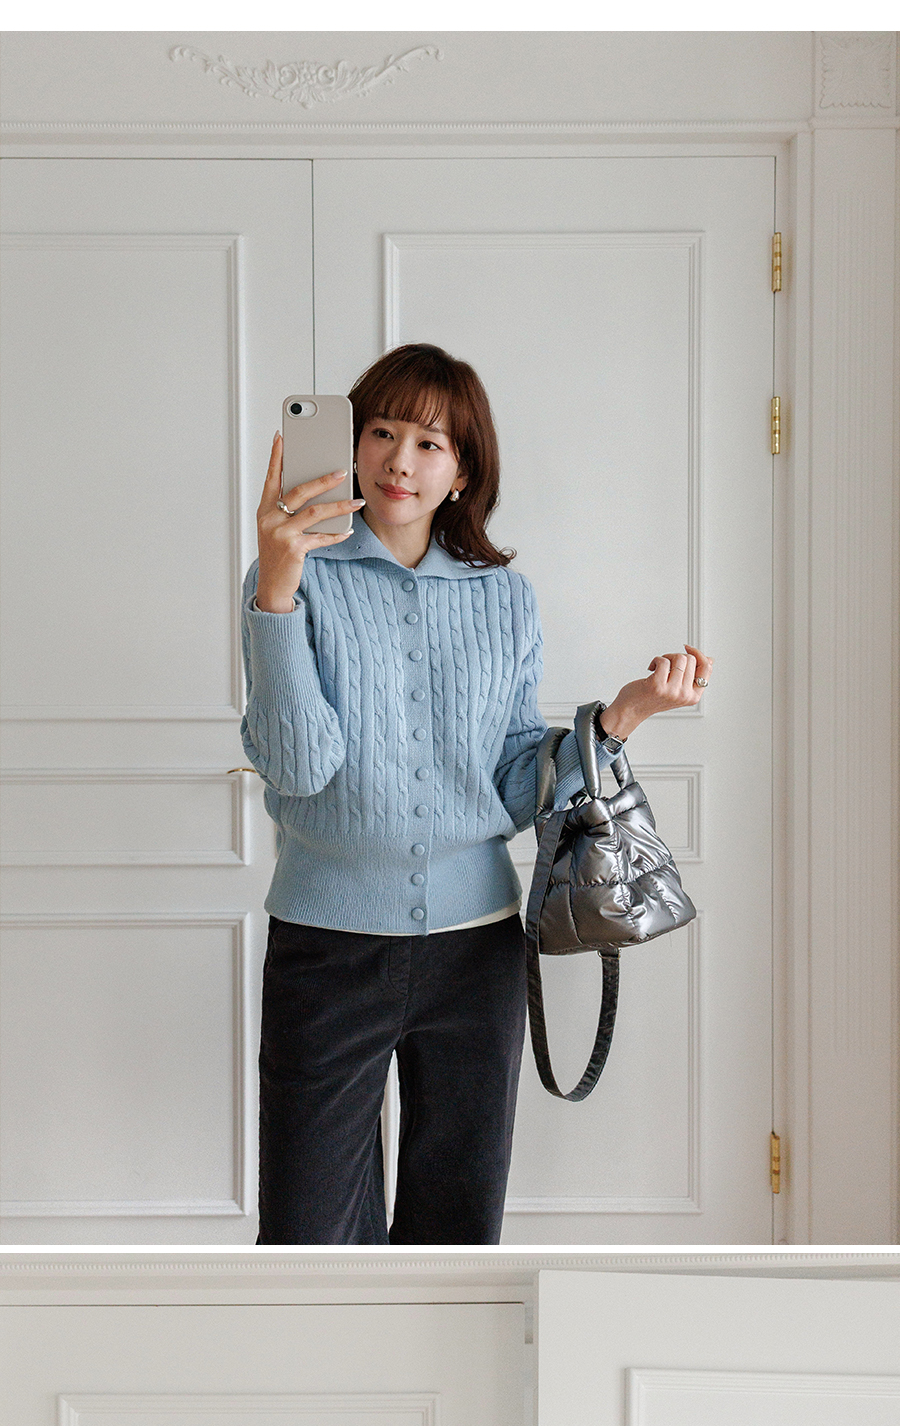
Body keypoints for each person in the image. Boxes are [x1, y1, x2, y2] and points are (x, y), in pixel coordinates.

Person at [241, 337, 712, 1242]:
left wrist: (625, 713)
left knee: (456, 1232)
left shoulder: (506, 598)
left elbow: (511, 781)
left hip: (476, 954)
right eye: (382, 432)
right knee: (306, 1235)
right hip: (326, 950)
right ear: (351, 445)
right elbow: (297, 767)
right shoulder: (289, 581)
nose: (399, 461)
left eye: (430, 443)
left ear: (462, 472)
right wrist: (278, 588)